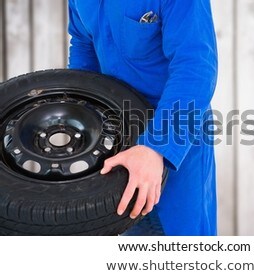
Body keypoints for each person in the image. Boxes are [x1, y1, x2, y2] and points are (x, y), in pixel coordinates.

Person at [68, 0, 218, 235]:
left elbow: (195, 67)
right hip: (117, 135)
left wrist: (155, 147)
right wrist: (80, 116)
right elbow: (83, 45)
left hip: (176, 135)